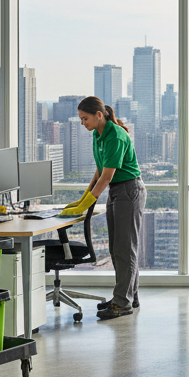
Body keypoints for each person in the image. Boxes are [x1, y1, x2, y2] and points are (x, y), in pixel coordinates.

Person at [62, 96, 145, 320]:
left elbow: (108, 176)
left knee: (124, 249)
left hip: (128, 191)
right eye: (80, 119)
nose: (82, 123)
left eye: (85, 118)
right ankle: (128, 296)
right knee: (117, 249)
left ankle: (122, 302)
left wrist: (89, 202)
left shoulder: (116, 135)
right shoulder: (98, 135)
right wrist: (84, 198)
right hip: (117, 192)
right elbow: (99, 172)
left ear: (99, 115)